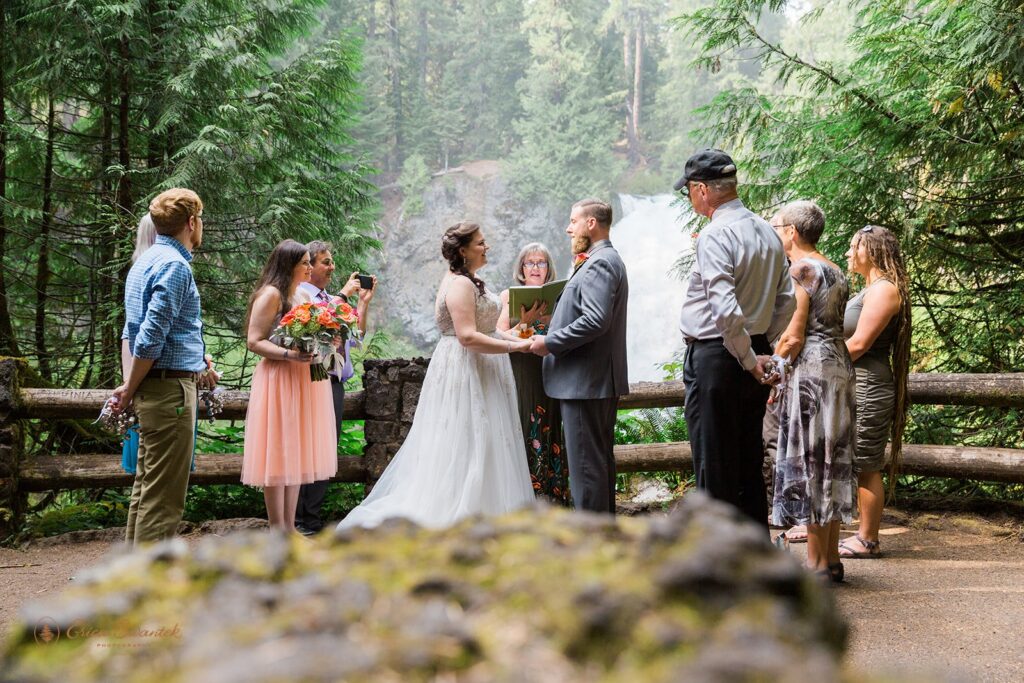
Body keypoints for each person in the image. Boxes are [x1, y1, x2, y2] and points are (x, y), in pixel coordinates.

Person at [337, 222, 535, 530]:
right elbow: (467, 337)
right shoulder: (459, 285)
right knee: (467, 439)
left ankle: (492, 512)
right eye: (480, 243)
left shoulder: (473, 281)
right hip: (465, 367)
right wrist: (518, 348)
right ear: (463, 251)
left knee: (489, 440)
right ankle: (461, 517)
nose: (487, 247)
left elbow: (489, 330)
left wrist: (523, 341)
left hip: (483, 367)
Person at [675, 149, 795, 528]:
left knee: (714, 463)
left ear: (701, 190)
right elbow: (786, 301)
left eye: (689, 192)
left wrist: (746, 357)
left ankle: (718, 567)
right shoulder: (766, 231)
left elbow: (724, 308)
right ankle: (755, 553)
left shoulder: (715, 234)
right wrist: (763, 351)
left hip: (717, 357)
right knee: (746, 457)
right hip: (754, 352)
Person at [113, 189, 217, 547]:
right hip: (170, 392)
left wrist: (131, 385)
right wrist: (129, 389)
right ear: (191, 223)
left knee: (146, 489)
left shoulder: (143, 262)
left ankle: (132, 579)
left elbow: (132, 331)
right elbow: (148, 340)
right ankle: (150, 590)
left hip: (154, 388)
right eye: (200, 220)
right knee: (164, 498)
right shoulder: (175, 266)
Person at [768, 201, 856, 582]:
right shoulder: (835, 268)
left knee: (813, 458)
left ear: (792, 232)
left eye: (777, 226)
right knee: (832, 456)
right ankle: (832, 559)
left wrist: (772, 366)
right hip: (838, 364)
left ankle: (816, 564)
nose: (775, 232)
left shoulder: (801, 269)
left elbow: (794, 334)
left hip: (812, 372)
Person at [530, 199, 629, 514]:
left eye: (573, 221)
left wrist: (550, 342)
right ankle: (604, 539)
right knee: (596, 465)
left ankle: (592, 543)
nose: (568, 227)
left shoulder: (600, 262)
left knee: (587, 468)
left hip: (585, 382)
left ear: (591, 224)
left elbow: (596, 320)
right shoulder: (600, 260)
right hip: (591, 381)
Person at [241, 240, 338, 531]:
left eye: (311, 262)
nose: (310, 267)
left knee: (294, 451)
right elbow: (254, 340)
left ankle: (290, 529)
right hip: (279, 377)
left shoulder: (299, 295)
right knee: (279, 451)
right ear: (289, 265)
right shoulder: (272, 294)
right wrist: (289, 354)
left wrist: (327, 341)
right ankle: (277, 528)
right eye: (305, 262)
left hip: (302, 377)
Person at [294, 241, 377, 535]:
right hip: (312, 378)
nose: (331, 267)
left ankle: (312, 520)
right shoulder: (301, 294)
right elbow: (316, 326)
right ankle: (300, 520)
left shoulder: (332, 299)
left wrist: (363, 303)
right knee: (308, 447)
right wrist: (344, 295)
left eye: (331, 262)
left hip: (335, 379)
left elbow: (357, 335)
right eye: (325, 262)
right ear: (308, 267)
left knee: (326, 449)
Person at [838, 225, 911, 559]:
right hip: (853, 383)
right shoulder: (868, 289)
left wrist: (818, 364)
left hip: (868, 387)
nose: (849, 253)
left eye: (855, 247)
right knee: (854, 459)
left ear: (872, 250)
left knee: (867, 463)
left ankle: (868, 539)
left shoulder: (883, 290)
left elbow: (859, 344)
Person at [497, 242, 571, 506]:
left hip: (550, 369)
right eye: (531, 263)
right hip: (521, 370)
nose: (536, 267)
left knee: (551, 424)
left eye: (542, 262)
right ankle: (523, 496)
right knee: (524, 422)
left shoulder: (558, 296)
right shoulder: (509, 296)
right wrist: (526, 322)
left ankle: (552, 497)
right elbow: (499, 333)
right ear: (521, 268)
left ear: (549, 267)